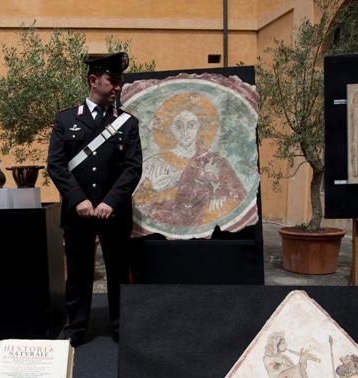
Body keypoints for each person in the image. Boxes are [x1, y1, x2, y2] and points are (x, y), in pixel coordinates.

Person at [47, 52, 143, 346]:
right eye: (111, 81)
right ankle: (75, 328)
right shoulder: (65, 119)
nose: (116, 88)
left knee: (118, 272)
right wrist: (78, 199)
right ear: (93, 81)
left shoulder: (127, 123)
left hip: (112, 213)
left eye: (119, 83)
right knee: (77, 272)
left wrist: (109, 202)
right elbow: (56, 164)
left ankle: (121, 326)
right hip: (79, 213)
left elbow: (133, 167)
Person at [133, 92, 246, 233]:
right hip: (168, 224)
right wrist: (157, 190)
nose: (185, 132)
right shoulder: (154, 163)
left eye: (191, 125)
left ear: (200, 128)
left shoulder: (213, 160)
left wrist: (221, 196)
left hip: (204, 223)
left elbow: (237, 194)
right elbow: (138, 201)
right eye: (179, 126)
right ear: (171, 128)